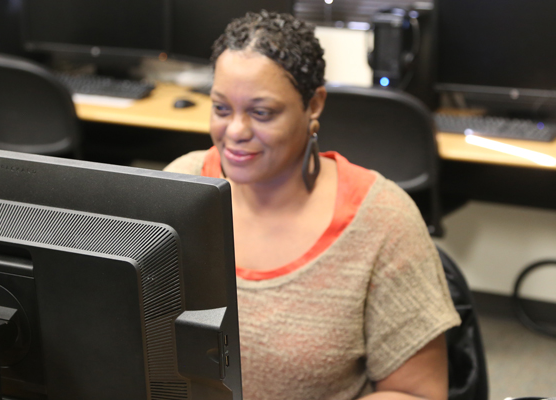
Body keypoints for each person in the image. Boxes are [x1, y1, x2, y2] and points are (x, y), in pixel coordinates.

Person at [164, 10, 460, 400]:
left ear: (314, 104)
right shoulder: (180, 187)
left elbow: (418, 394)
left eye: (261, 112)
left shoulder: (383, 219)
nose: (235, 131)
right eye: (221, 108)